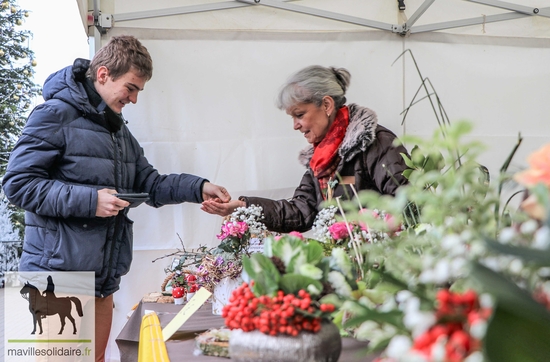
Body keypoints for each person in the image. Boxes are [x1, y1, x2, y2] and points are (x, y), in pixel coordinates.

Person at [2, 35, 230, 361]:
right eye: (131, 88)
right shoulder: (53, 115)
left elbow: (150, 183)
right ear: (104, 74)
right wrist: (90, 201)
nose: (135, 99)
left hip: (101, 284)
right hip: (57, 281)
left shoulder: (119, 132)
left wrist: (199, 187)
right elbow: (18, 183)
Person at [202, 65, 408, 233]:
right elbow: (301, 212)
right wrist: (244, 206)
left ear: (326, 105)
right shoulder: (320, 159)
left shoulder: (376, 142)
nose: (295, 125)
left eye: (299, 115)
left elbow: (409, 203)